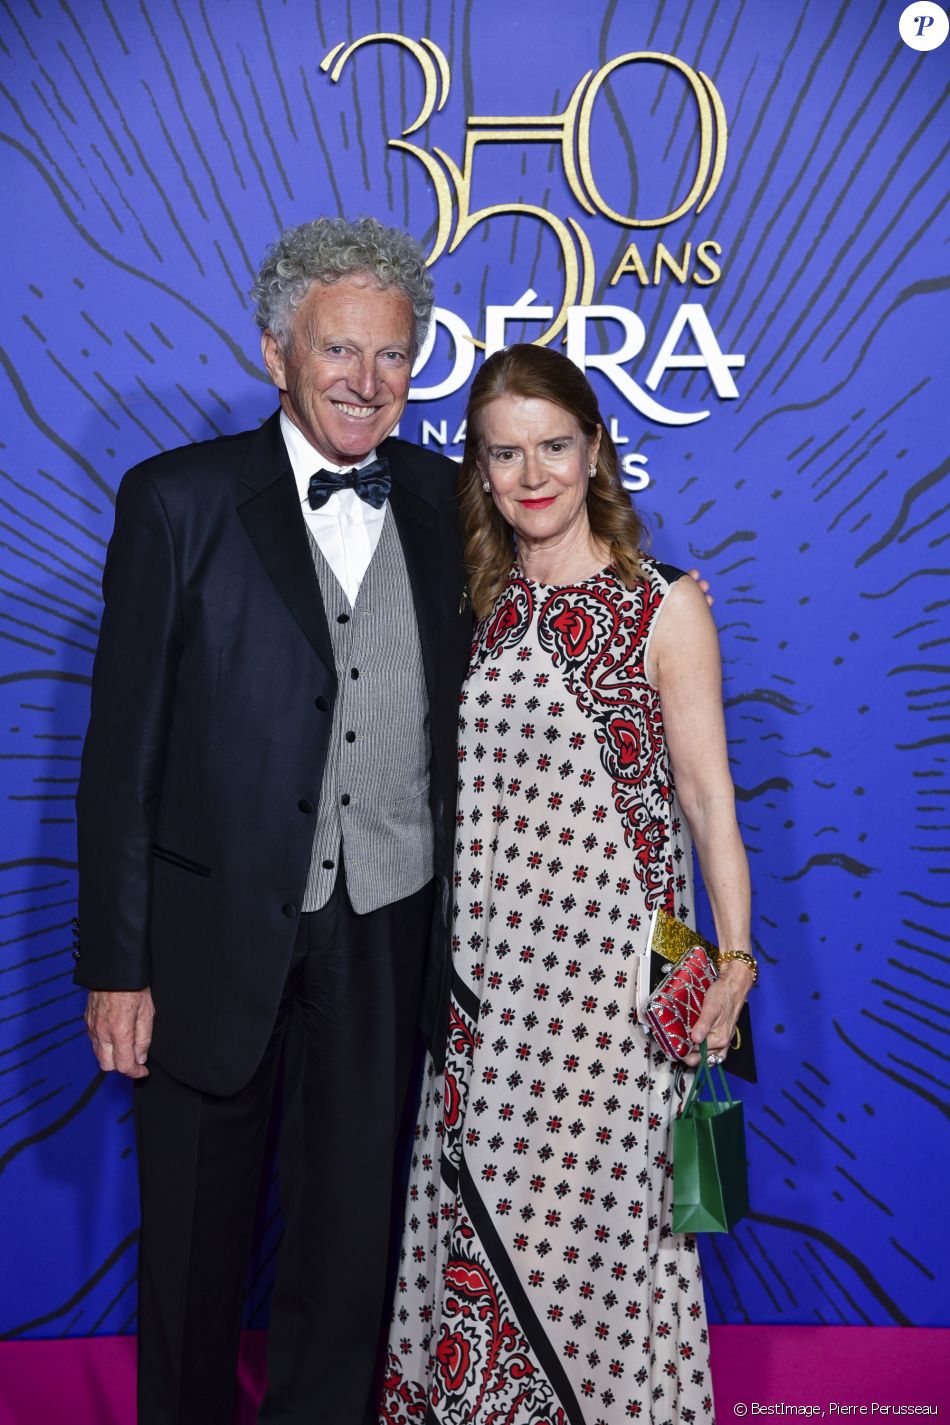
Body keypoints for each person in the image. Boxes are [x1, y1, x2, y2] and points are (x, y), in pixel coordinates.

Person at [74, 216, 473, 1425]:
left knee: (351, 1240)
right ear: (275, 355)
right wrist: (116, 965)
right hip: (208, 933)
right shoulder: (175, 503)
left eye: (393, 356)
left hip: (385, 919)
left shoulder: (448, 499)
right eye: (339, 352)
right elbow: (119, 752)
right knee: (195, 1240)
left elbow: (555, 598)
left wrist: (657, 596)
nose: (367, 382)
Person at [379, 344, 755, 1425]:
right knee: (477, 1228)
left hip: (611, 1003)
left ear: (594, 449)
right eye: (504, 453)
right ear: (479, 471)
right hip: (483, 997)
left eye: (551, 445)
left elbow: (705, 799)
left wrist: (732, 961)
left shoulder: (661, 605)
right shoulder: (471, 605)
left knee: (586, 1242)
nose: (530, 473)